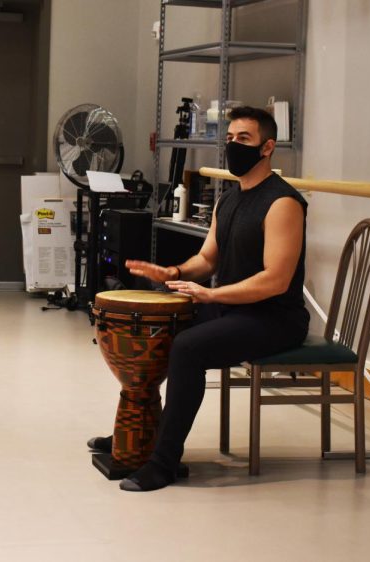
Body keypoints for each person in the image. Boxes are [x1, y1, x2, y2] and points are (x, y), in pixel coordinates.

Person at [89, 106, 310, 492]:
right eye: (230, 138)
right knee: (160, 332)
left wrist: (211, 293)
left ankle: (163, 461)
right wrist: (171, 273)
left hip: (275, 318)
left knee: (189, 347)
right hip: (233, 308)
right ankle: (137, 434)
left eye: (244, 139)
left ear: (268, 147)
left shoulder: (282, 203)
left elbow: (276, 280)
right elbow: (207, 258)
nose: (233, 145)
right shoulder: (229, 199)